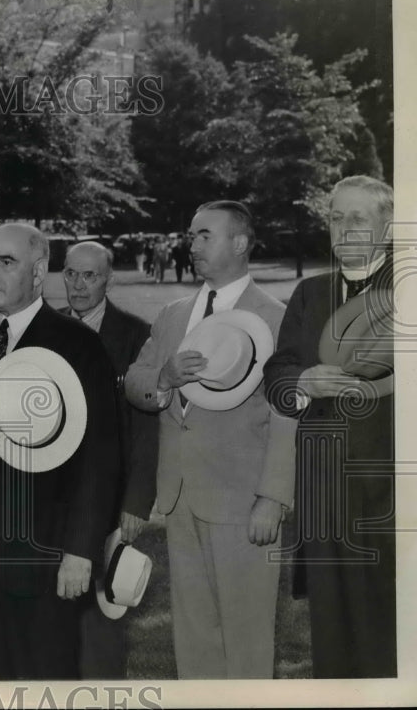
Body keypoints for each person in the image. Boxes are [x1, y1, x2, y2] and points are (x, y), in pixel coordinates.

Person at [0, 224, 121, 680]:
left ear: (39, 272)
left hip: (50, 549)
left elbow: (101, 457)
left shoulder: (78, 343)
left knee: (49, 678)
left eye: (6, 262)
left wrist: (80, 550)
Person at [125, 201, 293, 678]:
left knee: (246, 640)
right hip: (179, 498)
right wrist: (165, 375)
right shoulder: (173, 314)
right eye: (191, 236)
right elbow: (135, 382)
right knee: (194, 641)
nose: (191, 245)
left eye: (204, 236)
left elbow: (289, 416)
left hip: (244, 504)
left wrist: (273, 498)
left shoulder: (278, 319)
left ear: (239, 243)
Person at [263, 175, 396, 678]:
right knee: (332, 648)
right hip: (321, 501)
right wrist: (303, 381)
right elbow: (275, 375)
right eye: (336, 218)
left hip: (391, 503)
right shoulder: (309, 292)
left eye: (357, 218)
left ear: (387, 227)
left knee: (390, 644)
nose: (344, 229)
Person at [59, 241, 158, 678]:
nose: (79, 285)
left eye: (90, 276)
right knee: (58, 612)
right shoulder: (49, 330)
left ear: (109, 279)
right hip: (56, 495)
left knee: (103, 612)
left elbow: (146, 428)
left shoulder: (136, 334)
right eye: (71, 274)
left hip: (111, 494)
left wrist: (137, 500)